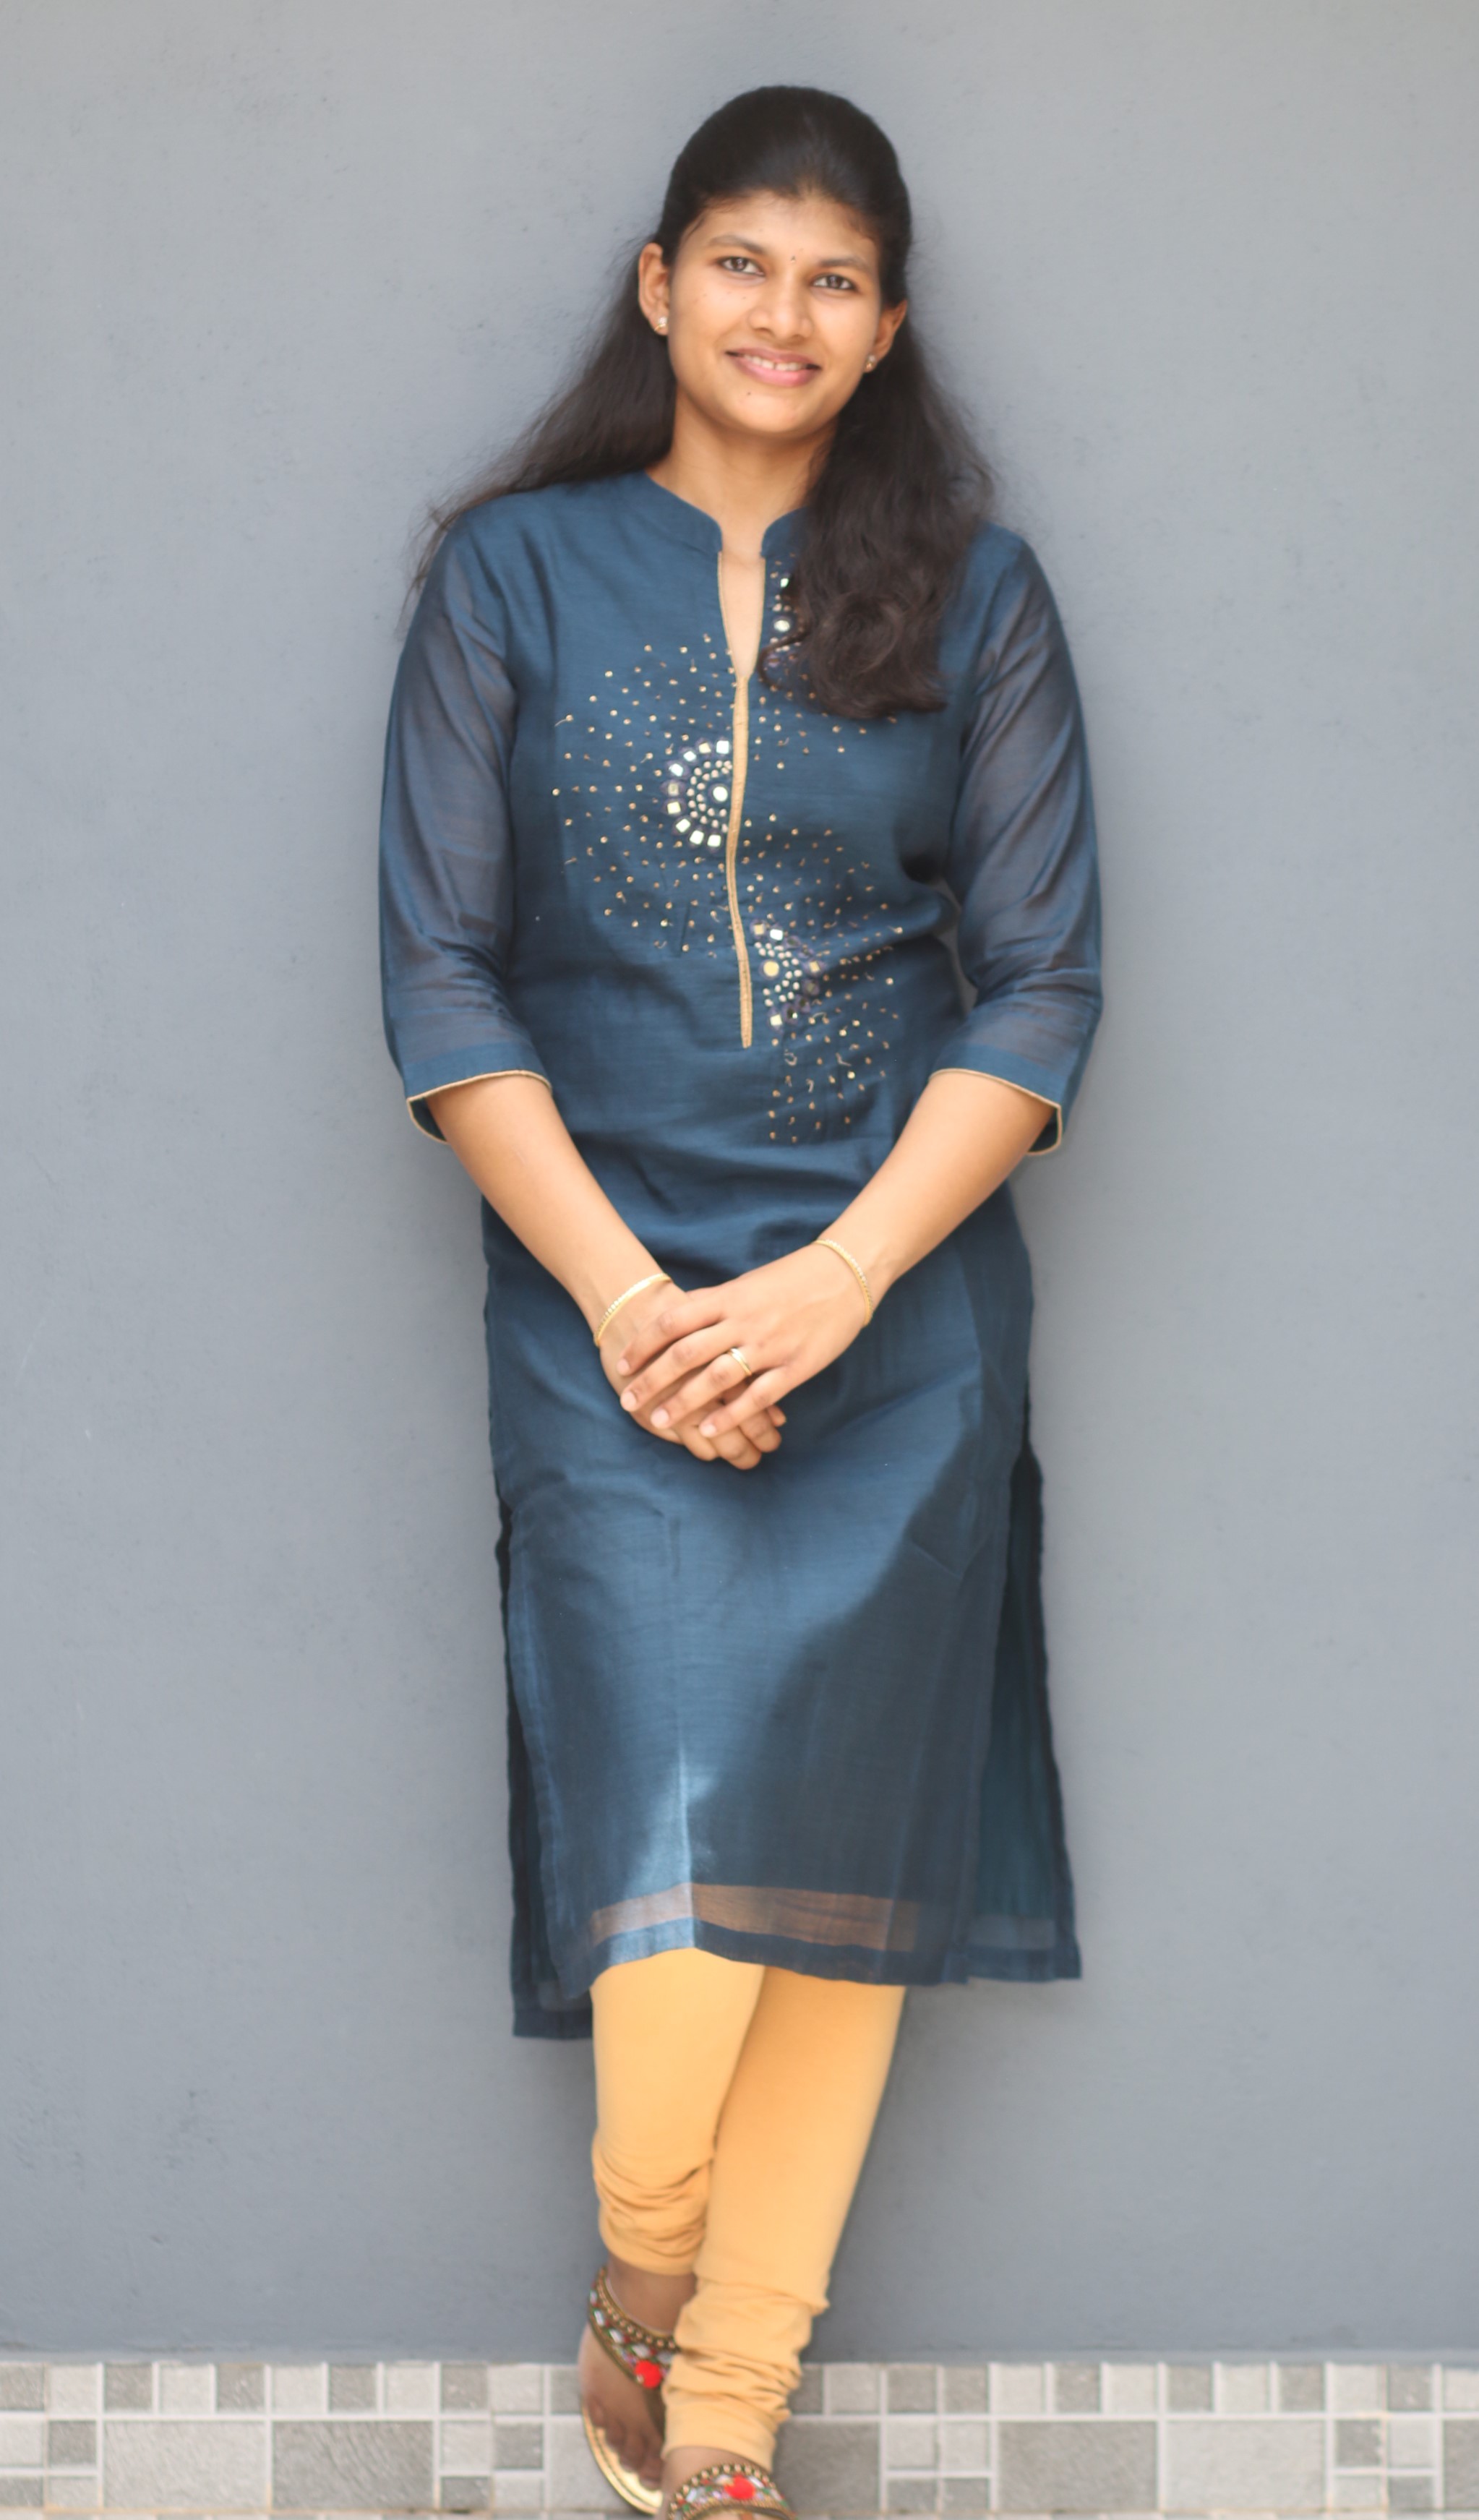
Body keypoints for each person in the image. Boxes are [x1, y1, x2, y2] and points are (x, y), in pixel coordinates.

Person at [379, 83, 1101, 2520]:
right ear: (658, 286)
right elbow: (442, 977)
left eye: (834, 279)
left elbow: (1042, 988)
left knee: (838, 1883)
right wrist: (629, 1301)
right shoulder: (508, 578)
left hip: (893, 1319)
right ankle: (646, 2269)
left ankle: (730, 2416)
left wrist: (836, 1284)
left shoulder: (976, 598)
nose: (783, 314)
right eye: (743, 263)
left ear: (885, 330)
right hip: (605, 1313)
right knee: (681, 1887)